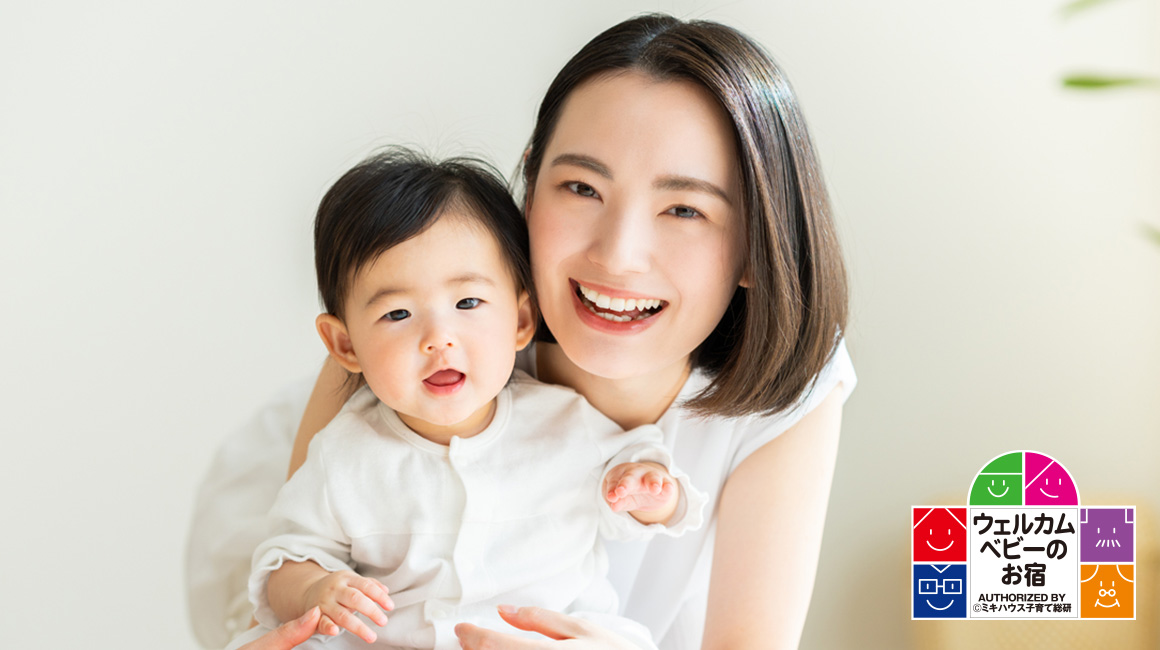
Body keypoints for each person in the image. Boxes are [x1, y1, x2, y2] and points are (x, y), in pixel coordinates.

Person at [187, 13, 856, 650]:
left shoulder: (789, 383)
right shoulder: (427, 338)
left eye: (683, 208)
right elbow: (290, 577)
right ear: (531, 184)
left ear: (755, 244)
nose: (619, 254)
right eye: (582, 189)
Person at [224, 150, 705, 650]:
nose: (439, 337)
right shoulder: (344, 453)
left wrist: (648, 489)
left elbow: (635, 471)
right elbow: (285, 555)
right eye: (397, 314)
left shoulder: (565, 422)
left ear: (520, 321)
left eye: (467, 303)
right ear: (345, 345)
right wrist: (314, 588)